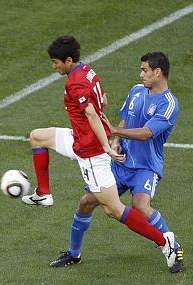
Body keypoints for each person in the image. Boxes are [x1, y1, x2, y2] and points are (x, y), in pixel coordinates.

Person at [21, 36, 181, 270]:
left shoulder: (168, 103)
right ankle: (45, 196)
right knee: (38, 137)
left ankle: (165, 241)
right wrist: (114, 139)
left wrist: (107, 143)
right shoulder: (87, 71)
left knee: (115, 209)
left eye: (55, 62)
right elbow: (103, 100)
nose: (53, 66)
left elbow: (98, 115)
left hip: (93, 151)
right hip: (86, 142)